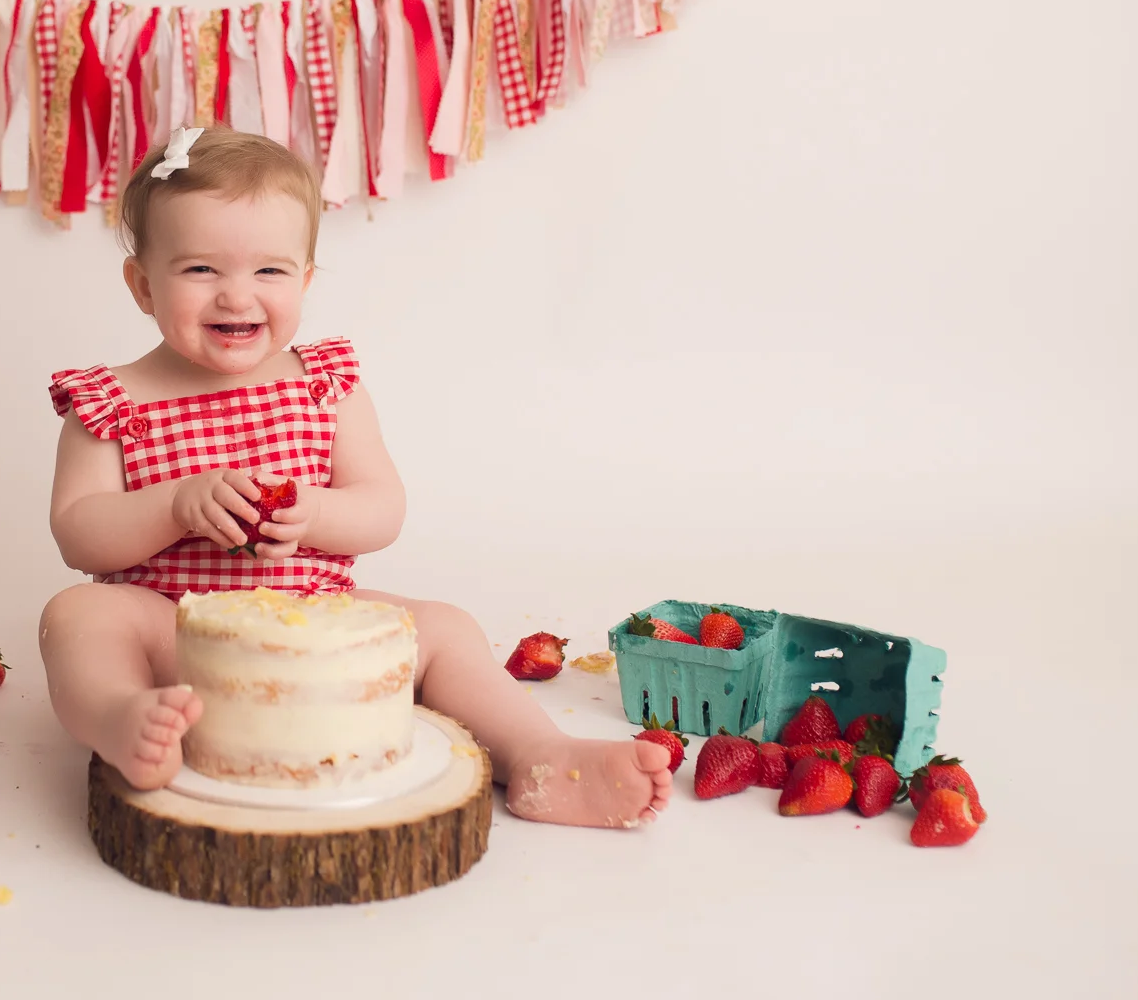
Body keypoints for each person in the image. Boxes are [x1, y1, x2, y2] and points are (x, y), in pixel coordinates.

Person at [40, 127, 670, 826]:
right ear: (142, 285)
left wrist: (313, 512)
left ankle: (538, 756)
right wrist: (175, 505)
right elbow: (79, 534)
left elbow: (382, 507)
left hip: (318, 629)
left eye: (269, 271)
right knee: (77, 615)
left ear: (306, 280)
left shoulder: (325, 387)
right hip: (175, 640)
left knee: (447, 628)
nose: (236, 297)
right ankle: (123, 717)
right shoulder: (113, 399)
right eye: (200, 270)